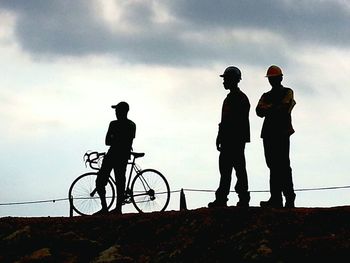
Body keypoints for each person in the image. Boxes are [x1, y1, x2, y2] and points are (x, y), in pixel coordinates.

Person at [208, 66, 251, 208]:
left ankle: (242, 197)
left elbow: (237, 122)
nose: (224, 82)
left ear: (233, 80)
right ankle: (223, 198)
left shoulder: (240, 99)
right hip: (229, 140)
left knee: (238, 169)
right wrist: (220, 136)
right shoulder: (230, 99)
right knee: (226, 171)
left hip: (235, 141)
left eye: (226, 79)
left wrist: (226, 136)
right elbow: (225, 120)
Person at [256, 65, 296, 208]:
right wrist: (275, 108)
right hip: (270, 134)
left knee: (283, 165)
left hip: (280, 134)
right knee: (274, 166)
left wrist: (270, 108)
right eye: (271, 79)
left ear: (280, 78)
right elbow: (258, 111)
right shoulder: (267, 95)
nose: (272, 81)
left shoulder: (287, 92)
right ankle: (276, 198)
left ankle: (288, 197)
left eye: (274, 78)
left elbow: (284, 107)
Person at [94, 101, 136, 215]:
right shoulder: (130, 125)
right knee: (115, 181)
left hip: (115, 155)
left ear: (123, 111)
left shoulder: (115, 125)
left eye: (117, 110)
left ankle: (111, 208)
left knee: (107, 181)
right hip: (120, 155)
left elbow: (110, 141)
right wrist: (118, 139)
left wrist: (115, 137)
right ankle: (114, 208)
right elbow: (111, 141)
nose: (116, 113)